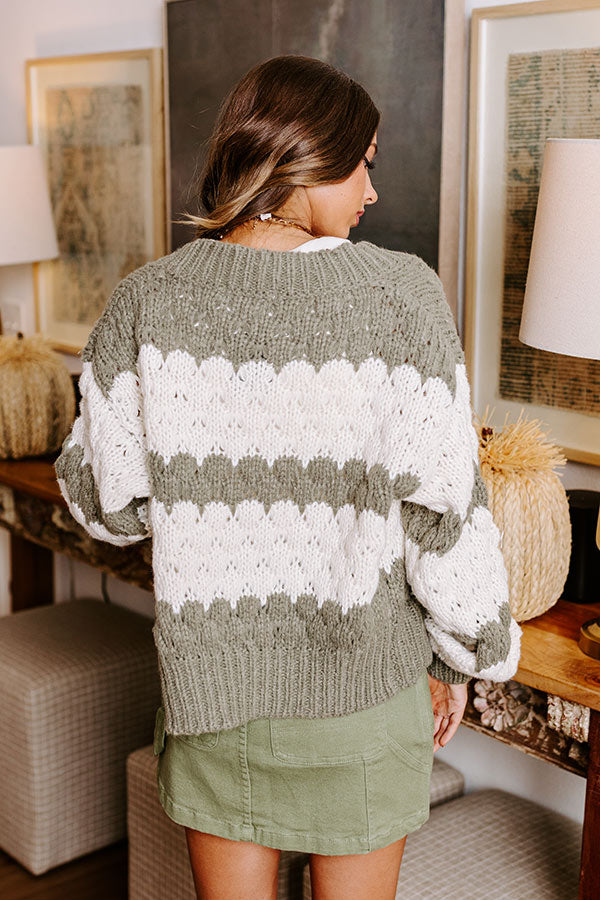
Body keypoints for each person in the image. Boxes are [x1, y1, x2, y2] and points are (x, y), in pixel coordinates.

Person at [54, 55, 522, 900]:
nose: (372, 190)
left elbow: (105, 504)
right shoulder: (402, 298)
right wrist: (464, 658)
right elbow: (445, 515)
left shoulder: (148, 300)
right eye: (363, 163)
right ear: (305, 158)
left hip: (217, 704)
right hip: (365, 702)